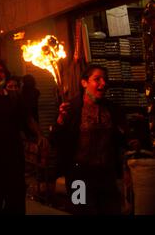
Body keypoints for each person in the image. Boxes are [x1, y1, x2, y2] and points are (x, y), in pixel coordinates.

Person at [50, 64, 141, 214]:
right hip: (79, 175)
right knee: (81, 211)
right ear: (84, 83)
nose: (103, 84)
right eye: (97, 79)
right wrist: (60, 120)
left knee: (110, 211)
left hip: (106, 174)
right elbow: (54, 140)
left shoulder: (112, 109)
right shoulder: (71, 108)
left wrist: (130, 141)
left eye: (104, 80)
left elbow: (121, 135)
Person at [0, 58, 46, 214]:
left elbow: (27, 118)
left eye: (1, 71)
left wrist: (39, 135)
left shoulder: (14, 97)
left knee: (15, 201)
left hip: (13, 157)